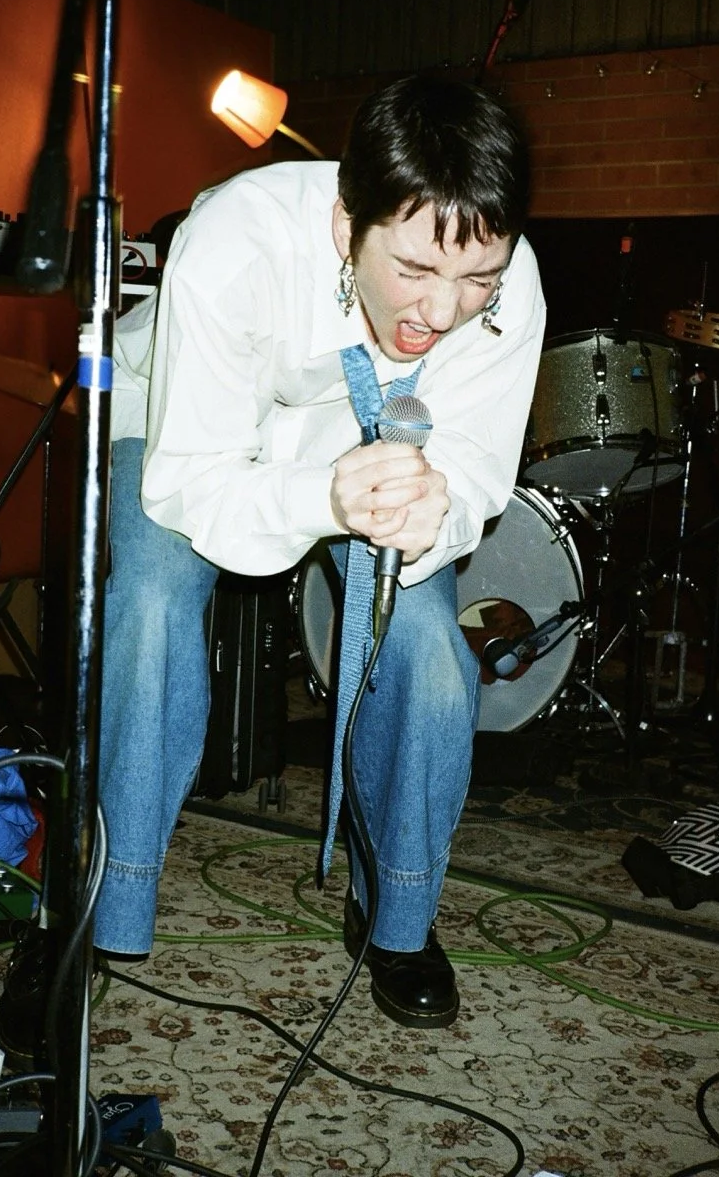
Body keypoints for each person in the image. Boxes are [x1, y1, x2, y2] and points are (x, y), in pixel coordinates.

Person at [95, 74, 546, 1028]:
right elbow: (195, 483)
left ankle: (399, 914)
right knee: (149, 603)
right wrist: (317, 495)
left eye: (476, 280)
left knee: (426, 652)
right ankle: (108, 893)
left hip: (358, 442)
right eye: (415, 271)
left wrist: (438, 506)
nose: (444, 309)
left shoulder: (507, 284)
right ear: (349, 228)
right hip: (191, 427)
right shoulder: (237, 240)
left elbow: (474, 470)